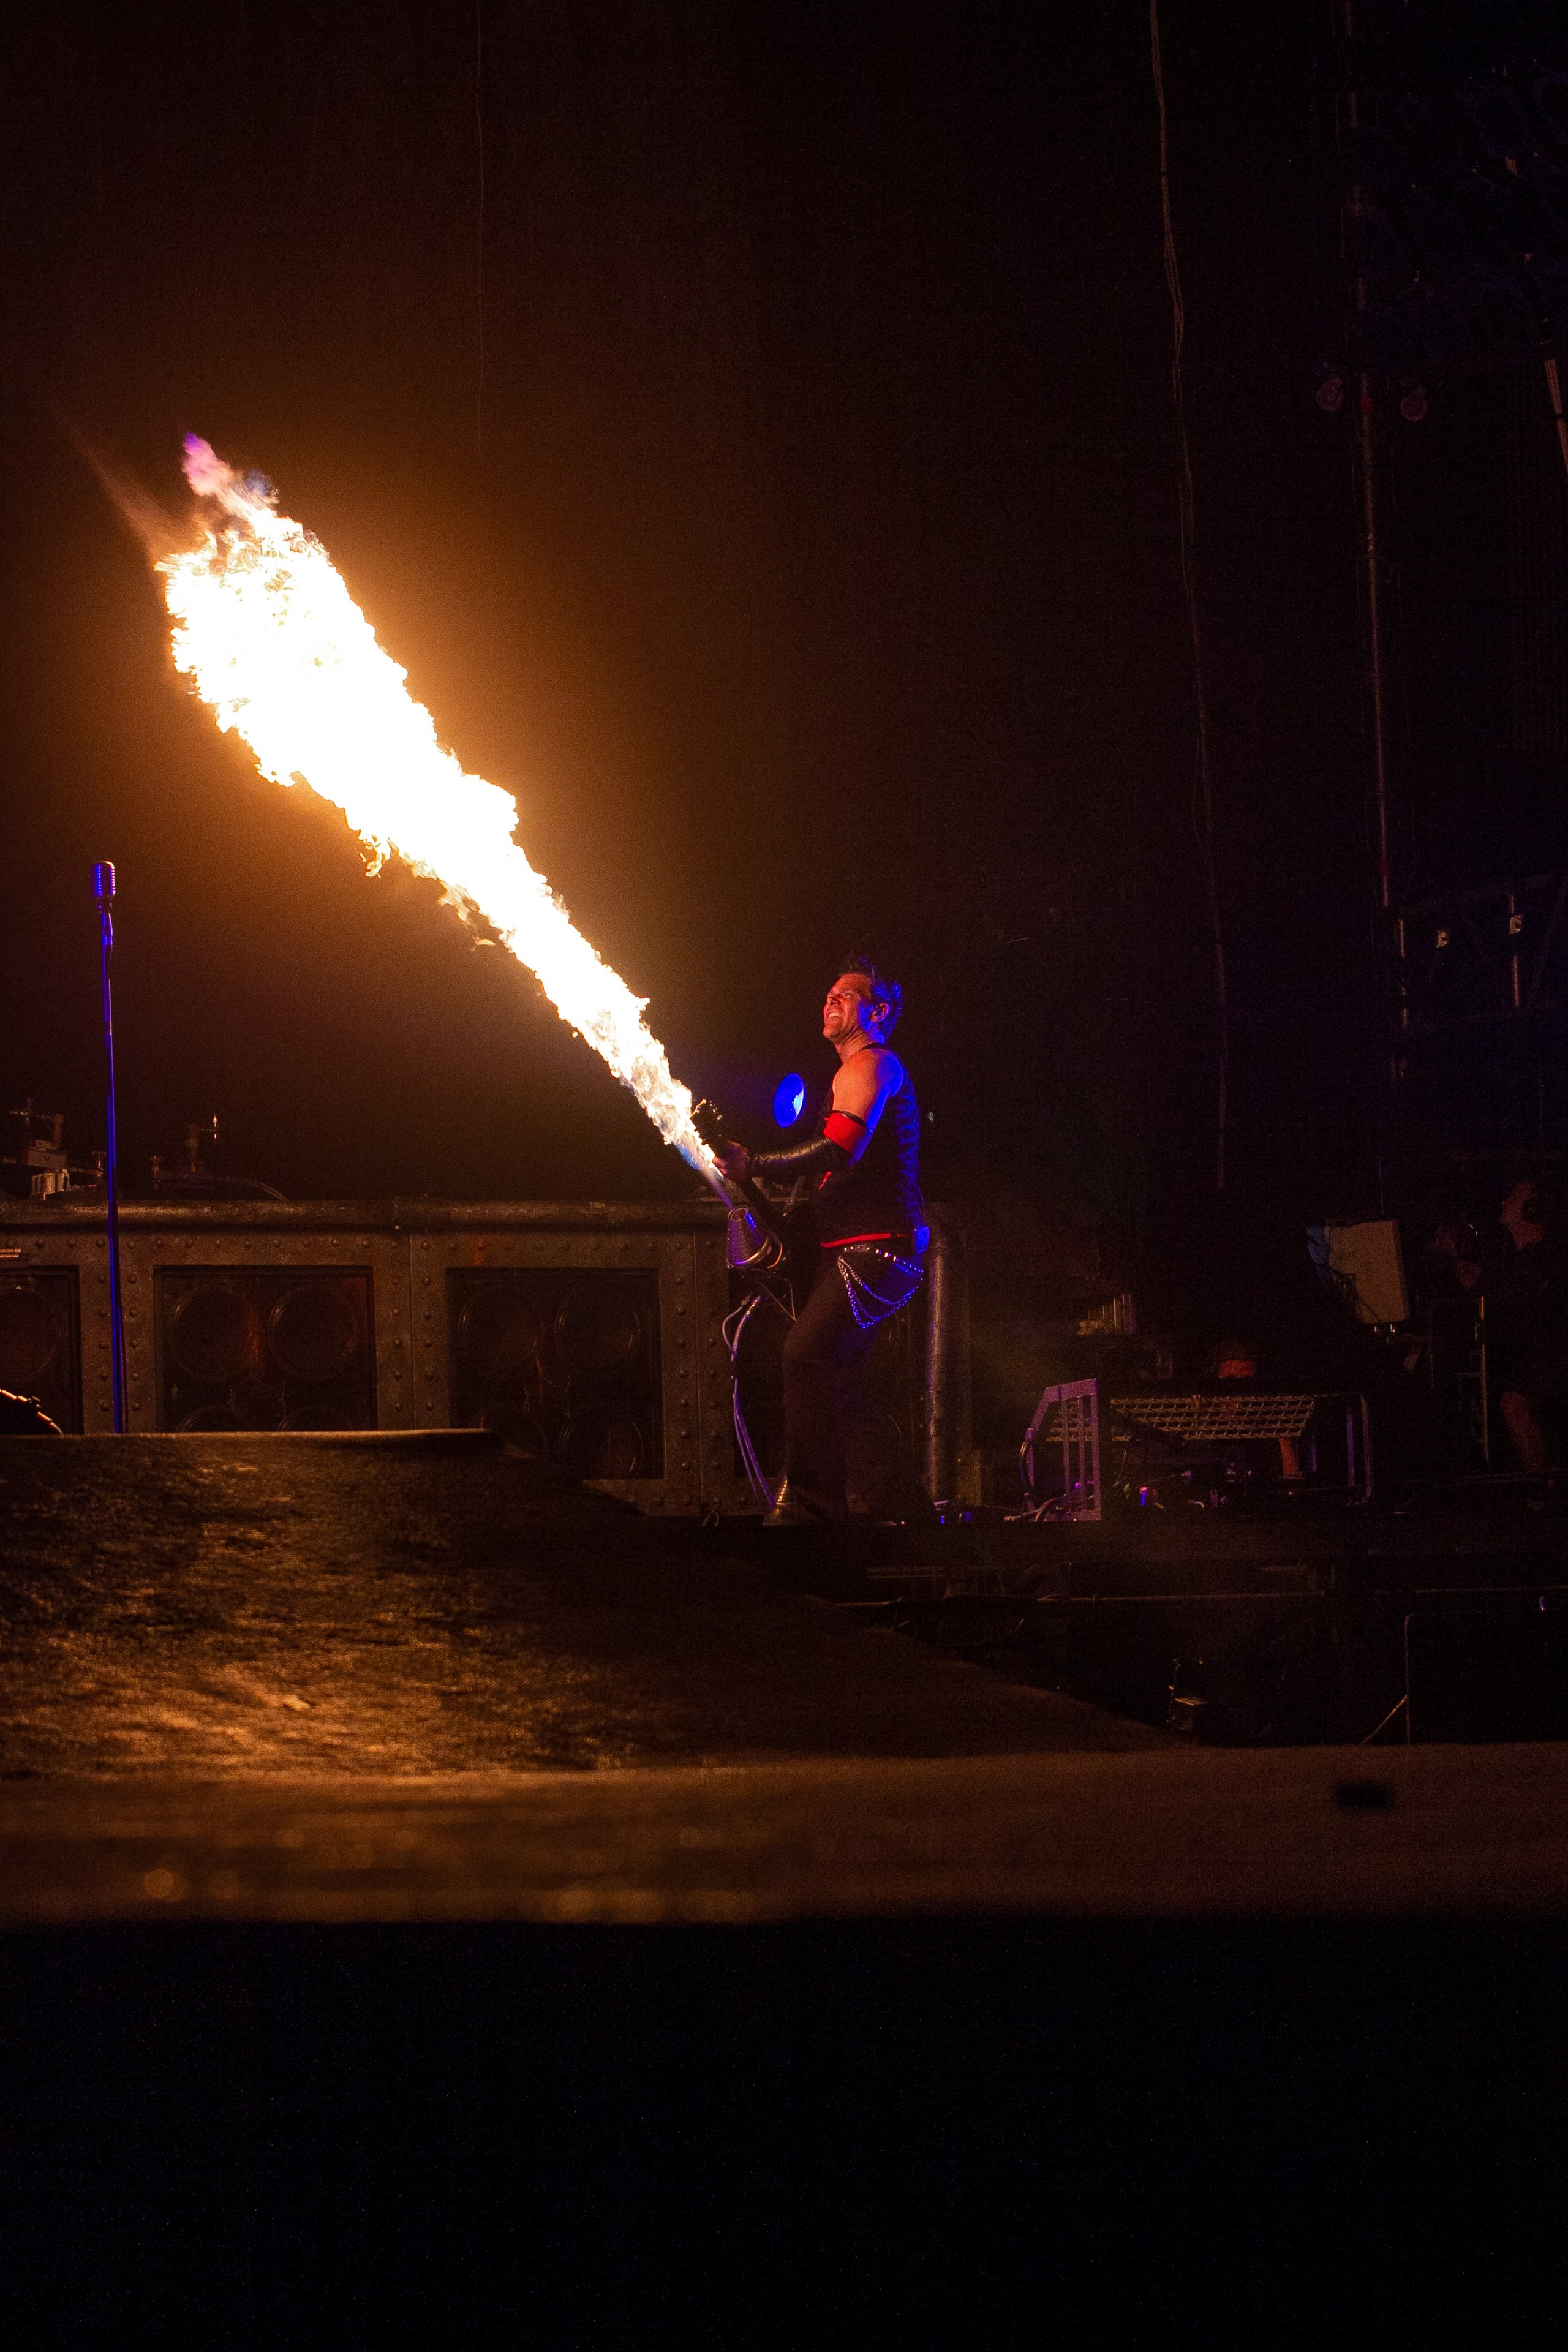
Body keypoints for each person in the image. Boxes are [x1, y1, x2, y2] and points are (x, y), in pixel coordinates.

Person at [718, 959, 933, 1525]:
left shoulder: (871, 1064)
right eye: (829, 993)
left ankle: (814, 1510)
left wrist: (755, 1163)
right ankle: (910, 1516)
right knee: (840, 1387)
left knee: (805, 1356)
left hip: (877, 1250)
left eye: (848, 995)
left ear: (878, 1011)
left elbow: (840, 1151)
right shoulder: (853, 1071)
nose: (831, 1001)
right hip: (867, 1250)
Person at [1488, 1179, 1568, 1480]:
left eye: (1512, 1197)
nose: (1504, 1202)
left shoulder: (1553, 1260)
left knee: (1514, 1404)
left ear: (1534, 1209)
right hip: (1530, 1359)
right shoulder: (1511, 1262)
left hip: (1554, 1356)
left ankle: (1542, 1491)